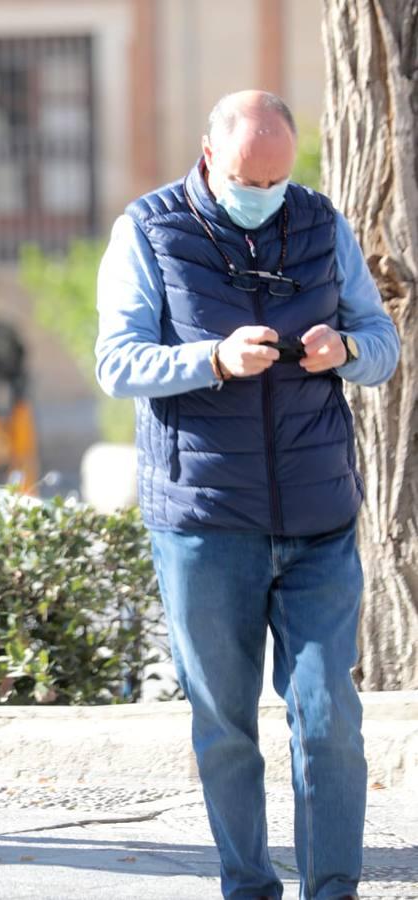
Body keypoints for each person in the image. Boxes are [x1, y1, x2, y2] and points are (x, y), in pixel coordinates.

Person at [95, 90, 400, 900]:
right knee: (226, 729)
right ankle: (248, 886)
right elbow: (118, 362)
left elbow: (384, 346)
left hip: (319, 518)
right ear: (207, 155)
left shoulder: (322, 221)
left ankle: (333, 890)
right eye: (244, 178)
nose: (261, 195)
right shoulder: (148, 229)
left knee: (329, 720)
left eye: (275, 179)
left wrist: (346, 349)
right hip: (203, 523)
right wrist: (214, 358)